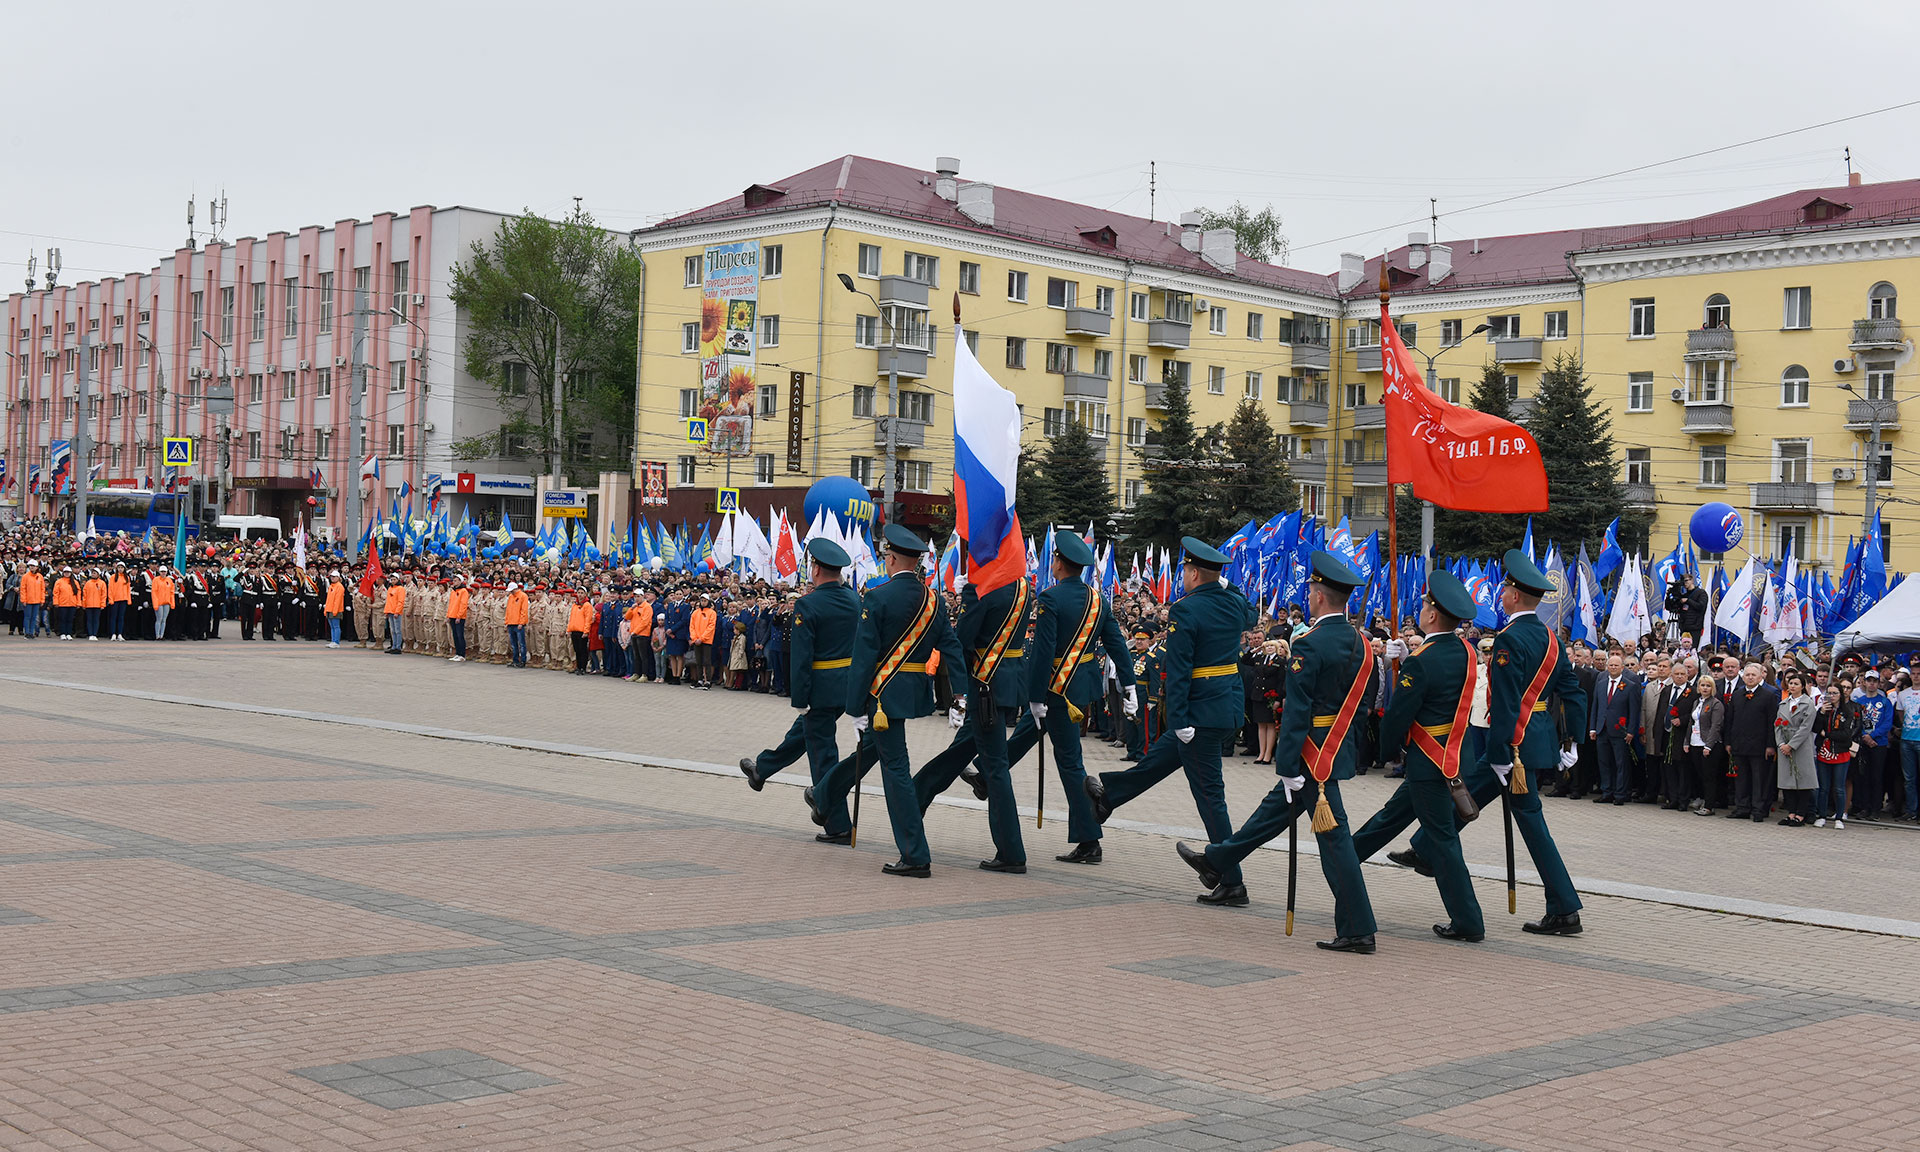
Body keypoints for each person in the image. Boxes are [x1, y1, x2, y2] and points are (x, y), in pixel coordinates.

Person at [1172, 549, 1377, 949]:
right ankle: (1217, 861)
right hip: (1335, 748)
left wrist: (1287, 765)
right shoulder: (1360, 643)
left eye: (1311, 590)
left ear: (1318, 596)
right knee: (1271, 815)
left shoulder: (1309, 644)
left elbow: (1298, 710)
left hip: (1309, 756)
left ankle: (1357, 928)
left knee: (1334, 840)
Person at [1408, 549, 1589, 937]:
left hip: (1512, 745)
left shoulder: (1509, 639)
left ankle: (1564, 908)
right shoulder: (1552, 640)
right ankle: (1425, 848)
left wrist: (1501, 750)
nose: (1501, 594)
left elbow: (1506, 702)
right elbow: (1573, 693)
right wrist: (1572, 739)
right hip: (1535, 741)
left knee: (1529, 823)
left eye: (1504, 589)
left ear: (1514, 596)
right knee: (1476, 794)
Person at [1087, 536, 1239, 887]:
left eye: (1186, 570)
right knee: (1159, 759)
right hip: (1224, 706)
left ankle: (1230, 879)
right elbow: (1245, 606)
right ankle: (1110, 796)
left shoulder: (1187, 609)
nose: (1183, 575)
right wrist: (1223, 582)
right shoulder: (1234, 604)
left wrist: (1181, 719)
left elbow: (1180, 668)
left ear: (1195, 574)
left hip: (1198, 715)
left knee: (1210, 796)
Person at [815, 524, 965, 877]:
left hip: (881, 697)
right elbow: (951, 647)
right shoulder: (934, 600)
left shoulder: (878, 597)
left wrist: (854, 708)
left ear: (892, 559)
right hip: (912, 691)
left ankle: (915, 854)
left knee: (896, 770)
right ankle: (823, 795)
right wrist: (960, 695)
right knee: (880, 753)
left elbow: (864, 656)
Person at [1344, 571, 1487, 940]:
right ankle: (1343, 861)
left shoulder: (1422, 660)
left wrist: (1386, 750)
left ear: (1432, 615)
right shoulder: (1465, 651)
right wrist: (1408, 659)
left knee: (1443, 841)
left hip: (1428, 761)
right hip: (1452, 754)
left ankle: (1469, 922)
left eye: (1424, 606)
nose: (1421, 609)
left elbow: (1399, 715)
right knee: (1389, 818)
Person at [908, 553, 1034, 872]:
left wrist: (959, 692)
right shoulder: (1022, 585)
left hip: (984, 687)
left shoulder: (980, 587)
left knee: (995, 768)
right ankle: (917, 796)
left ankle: (1011, 852)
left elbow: (962, 641)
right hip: (1008, 684)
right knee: (964, 750)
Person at [738, 538, 861, 843]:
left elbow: (802, 656)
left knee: (823, 755)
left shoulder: (808, 604)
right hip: (847, 686)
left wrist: (800, 697)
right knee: (803, 733)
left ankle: (837, 825)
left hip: (820, 689)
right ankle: (762, 769)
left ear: (815, 569)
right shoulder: (853, 599)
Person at [1724, 663, 1781, 821]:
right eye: (1747, 675)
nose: (1750, 678)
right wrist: (1728, 742)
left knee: (1759, 779)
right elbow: (1730, 720)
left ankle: (1758, 809)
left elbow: (1771, 722)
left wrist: (1770, 745)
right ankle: (1742, 807)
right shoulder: (1737, 695)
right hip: (1739, 744)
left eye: (1753, 675)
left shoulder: (1768, 696)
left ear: (1761, 676)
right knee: (1741, 778)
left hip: (1759, 746)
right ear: (1743, 677)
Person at [1589, 652, 1639, 804]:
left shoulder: (1630, 686)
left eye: (1616, 665)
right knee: (1604, 762)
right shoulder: (1601, 683)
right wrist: (1593, 728)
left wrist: (1630, 731)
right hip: (1602, 729)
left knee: (1621, 764)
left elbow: (1634, 711)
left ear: (1622, 668)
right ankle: (1607, 792)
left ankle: (1620, 794)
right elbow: (1596, 707)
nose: (1613, 667)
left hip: (1620, 731)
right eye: (1610, 665)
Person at [1813, 682, 1862, 828]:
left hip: (1841, 752)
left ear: (1840, 695)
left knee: (1839, 787)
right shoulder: (1823, 710)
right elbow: (1815, 728)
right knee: (1823, 787)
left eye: (1835, 693)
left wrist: (1827, 734)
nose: (1832, 696)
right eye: (1829, 693)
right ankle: (1821, 815)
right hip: (1824, 752)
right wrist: (1821, 713)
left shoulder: (1847, 712)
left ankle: (1839, 817)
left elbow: (1846, 735)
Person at [1851, 670, 1894, 821]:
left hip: (1879, 743)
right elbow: (1856, 722)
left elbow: (1887, 723)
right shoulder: (1859, 701)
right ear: (1864, 682)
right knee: (1864, 776)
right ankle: (1865, 807)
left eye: (1874, 681)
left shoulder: (1885, 702)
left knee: (1877, 776)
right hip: (1863, 743)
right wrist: (1865, 736)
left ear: (1878, 683)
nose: (1871, 684)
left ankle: (1876, 809)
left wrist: (1872, 736)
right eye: (1869, 681)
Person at [1775, 672, 1817, 827]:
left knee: (1803, 780)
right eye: (1791, 683)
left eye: (1796, 684)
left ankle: (1800, 814)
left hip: (1801, 746)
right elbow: (1777, 725)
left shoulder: (1808, 703)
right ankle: (1791, 812)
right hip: (1784, 745)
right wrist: (1781, 744)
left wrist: (1791, 745)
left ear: (1803, 686)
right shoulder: (1783, 703)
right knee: (1787, 780)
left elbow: (1805, 727)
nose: (1792, 686)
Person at [1683, 675, 1726, 816]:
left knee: (1709, 776)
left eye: (1708, 686)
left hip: (1709, 744)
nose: (1705, 688)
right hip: (1695, 742)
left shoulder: (1716, 704)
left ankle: (1709, 806)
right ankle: (1702, 799)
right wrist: (1686, 741)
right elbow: (1691, 723)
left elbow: (1716, 726)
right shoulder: (1697, 702)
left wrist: (1709, 745)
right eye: (1702, 685)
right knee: (1699, 774)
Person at [1896, 671, 1920, 823]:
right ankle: (1911, 810)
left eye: (1919, 674)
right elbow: (1900, 714)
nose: (1916, 676)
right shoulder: (1903, 694)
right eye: (1914, 674)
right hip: (1906, 739)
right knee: (1909, 779)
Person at [504, 582, 530, 668]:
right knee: (513, 644)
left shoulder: (523, 596)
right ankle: (515, 660)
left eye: (512, 590)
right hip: (511, 623)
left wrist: (521, 622)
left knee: (521, 644)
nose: (511, 592)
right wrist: (507, 622)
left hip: (518, 624)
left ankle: (523, 660)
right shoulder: (510, 597)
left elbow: (524, 610)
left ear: (516, 589)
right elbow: (508, 610)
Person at [446, 574, 470, 662]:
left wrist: (459, 616)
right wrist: (448, 615)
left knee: (460, 636)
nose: (454, 582)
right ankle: (457, 653)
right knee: (455, 636)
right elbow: (450, 604)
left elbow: (463, 605)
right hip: (452, 615)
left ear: (460, 581)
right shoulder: (453, 591)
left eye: (456, 580)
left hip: (459, 617)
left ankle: (462, 654)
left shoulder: (464, 591)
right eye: (453, 580)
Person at [382, 574, 407, 654]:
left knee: (398, 630)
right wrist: (386, 611)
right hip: (390, 611)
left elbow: (401, 601)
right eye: (391, 579)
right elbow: (388, 601)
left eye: (394, 579)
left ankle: (398, 647)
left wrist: (397, 611)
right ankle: (394, 646)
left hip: (396, 612)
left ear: (398, 580)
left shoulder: (400, 588)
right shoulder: (390, 588)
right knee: (392, 630)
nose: (393, 581)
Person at [324, 569, 346, 647]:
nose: (332, 578)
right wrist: (326, 609)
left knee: (336, 626)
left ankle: (336, 642)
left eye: (334, 577)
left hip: (336, 610)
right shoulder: (331, 586)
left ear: (338, 577)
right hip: (329, 609)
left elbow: (338, 600)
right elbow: (328, 599)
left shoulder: (340, 587)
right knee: (332, 627)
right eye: (331, 577)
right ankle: (333, 641)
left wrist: (335, 611)